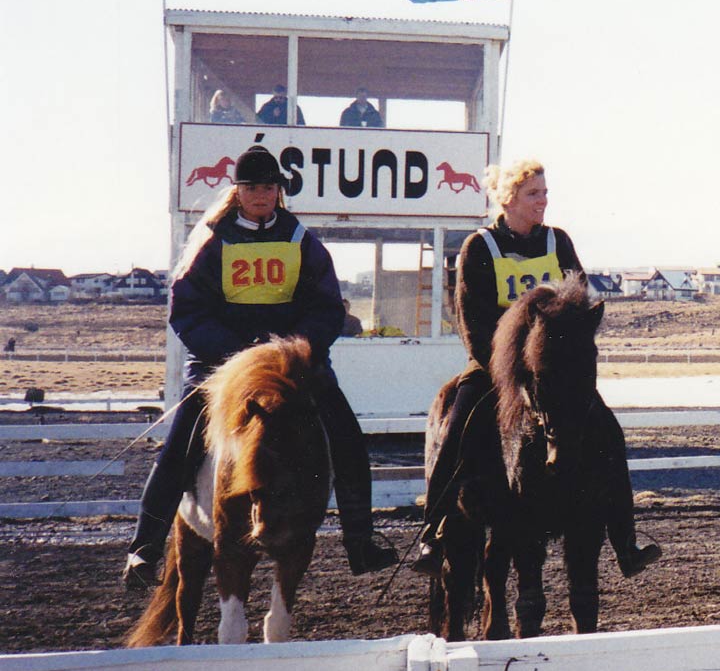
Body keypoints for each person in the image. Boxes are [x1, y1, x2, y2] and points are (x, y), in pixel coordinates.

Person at [123, 145, 396, 590]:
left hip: (290, 364)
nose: (261, 195)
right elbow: (187, 311)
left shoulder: (301, 241)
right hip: (222, 364)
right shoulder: (211, 241)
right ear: (238, 191)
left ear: (278, 191)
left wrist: (292, 349)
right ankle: (145, 548)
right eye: (252, 188)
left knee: (346, 436)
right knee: (181, 444)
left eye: (269, 187)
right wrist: (239, 353)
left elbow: (327, 307)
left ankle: (360, 541)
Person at [412, 158, 660, 577]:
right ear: (508, 198)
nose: (542, 201)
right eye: (533, 194)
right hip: (495, 366)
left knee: (609, 434)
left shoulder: (558, 242)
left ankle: (626, 543)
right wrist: (507, 369)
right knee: (456, 432)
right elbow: (470, 319)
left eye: (544, 193)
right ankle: (434, 533)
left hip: (552, 370)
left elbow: (579, 301)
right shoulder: (479, 247)